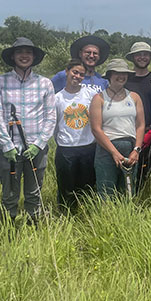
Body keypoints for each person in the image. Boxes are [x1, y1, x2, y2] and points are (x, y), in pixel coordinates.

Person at [0, 38, 56, 223]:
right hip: (9, 149)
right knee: (9, 193)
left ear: (34, 56)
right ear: (13, 56)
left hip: (36, 149)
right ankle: (8, 230)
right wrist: (6, 145)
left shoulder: (44, 83)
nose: (24, 56)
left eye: (28, 52)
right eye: (20, 52)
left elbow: (50, 117)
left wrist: (39, 144)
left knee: (34, 192)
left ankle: (34, 225)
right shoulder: (0, 82)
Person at [90, 59, 145, 198]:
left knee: (127, 191)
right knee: (106, 190)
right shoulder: (99, 98)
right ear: (109, 75)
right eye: (117, 73)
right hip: (107, 149)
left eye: (124, 73)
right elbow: (96, 129)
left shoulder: (134, 97)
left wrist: (136, 150)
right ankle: (106, 217)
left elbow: (140, 125)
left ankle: (126, 217)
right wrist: (114, 152)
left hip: (130, 148)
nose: (121, 76)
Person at [52, 59, 100, 212]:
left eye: (81, 74)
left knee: (87, 188)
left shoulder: (91, 95)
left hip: (88, 148)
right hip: (66, 149)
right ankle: (66, 216)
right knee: (66, 188)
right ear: (67, 71)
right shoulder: (57, 98)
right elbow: (54, 124)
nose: (77, 76)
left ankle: (86, 218)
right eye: (75, 72)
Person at [124, 41, 151, 193]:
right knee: (124, 164)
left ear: (150, 57)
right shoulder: (125, 79)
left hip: (148, 131)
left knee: (144, 168)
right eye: (138, 54)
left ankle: (139, 197)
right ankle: (122, 195)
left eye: (145, 54)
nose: (142, 57)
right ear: (133, 57)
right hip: (125, 131)